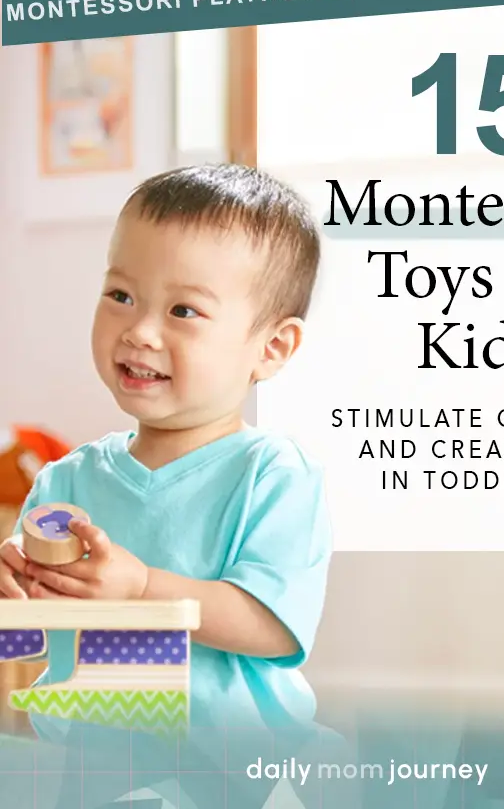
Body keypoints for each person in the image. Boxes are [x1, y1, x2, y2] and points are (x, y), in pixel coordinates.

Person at [0, 163, 332, 737]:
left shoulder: (273, 475)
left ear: (272, 347)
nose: (140, 332)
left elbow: (274, 626)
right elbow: (30, 634)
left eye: (183, 311)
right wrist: (17, 593)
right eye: (121, 295)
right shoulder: (64, 482)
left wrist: (142, 588)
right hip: (93, 756)